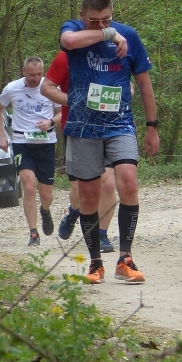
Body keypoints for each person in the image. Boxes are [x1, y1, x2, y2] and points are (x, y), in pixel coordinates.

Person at [43, 0, 159, 284]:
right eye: (94, 21)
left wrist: (152, 125)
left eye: (107, 20)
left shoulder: (129, 35)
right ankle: (95, 263)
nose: (101, 25)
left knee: (128, 182)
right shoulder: (73, 29)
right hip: (83, 127)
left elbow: (144, 84)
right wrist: (107, 34)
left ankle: (125, 259)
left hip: (120, 123)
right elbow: (69, 42)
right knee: (89, 195)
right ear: (82, 15)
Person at [44, 50, 119, 253]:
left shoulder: (111, 54)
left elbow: (124, 84)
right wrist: (76, 100)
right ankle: (74, 211)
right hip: (76, 128)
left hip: (108, 127)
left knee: (108, 183)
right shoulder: (66, 57)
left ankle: (101, 234)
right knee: (81, 190)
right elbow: (48, 88)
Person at [0, 56, 58, 246]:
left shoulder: (50, 87)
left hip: (46, 143)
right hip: (22, 142)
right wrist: (2, 136)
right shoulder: (12, 88)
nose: (35, 78)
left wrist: (50, 122)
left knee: (46, 194)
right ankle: (33, 233)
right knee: (29, 187)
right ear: (23, 72)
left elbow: (64, 112)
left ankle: (45, 210)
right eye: (31, 75)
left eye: (39, 74)